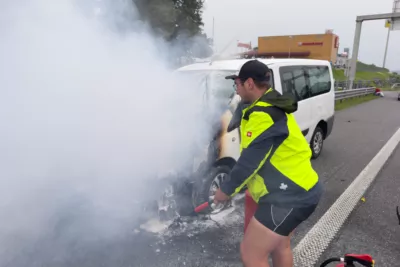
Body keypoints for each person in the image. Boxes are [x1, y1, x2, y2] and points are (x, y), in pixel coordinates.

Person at [213, 60, 323, 267]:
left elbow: (250, 162)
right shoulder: (269, 105)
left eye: (237, 83)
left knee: (251, 254)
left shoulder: (263, 115)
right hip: (301, 188)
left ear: (250, 83)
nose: (235, 89)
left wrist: (226, 189)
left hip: (290, 196)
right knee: (280, 246)